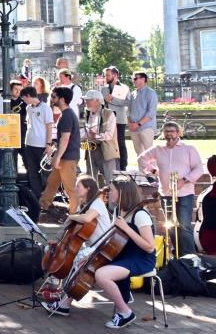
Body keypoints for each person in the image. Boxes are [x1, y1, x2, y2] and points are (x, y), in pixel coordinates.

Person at [43, 176, 156, 329]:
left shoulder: (140, 215)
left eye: (112, 191)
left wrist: (127, 228)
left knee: (102, 274)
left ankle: (125, 313)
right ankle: (64, 304)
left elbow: (150, 247)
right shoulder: (119, 211)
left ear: (122, 193)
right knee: (84, 263)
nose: (108, 194)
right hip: (122, 256)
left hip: (140, 259)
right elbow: (112, 240)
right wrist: (91, 255)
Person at [40, 175, 111, 316]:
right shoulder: (83, 205)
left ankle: (64, 304)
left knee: (78, 259)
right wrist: (59, 240)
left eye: (78, 186)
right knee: (51, 250)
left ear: (88, 189)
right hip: (90, 246)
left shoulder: (97, 203)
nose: (75, 188)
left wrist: (71, 216)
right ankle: (55, 289)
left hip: (101, 247)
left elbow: (86, 219)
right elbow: (73, 229)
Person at [138, 121, 203, 256]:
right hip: (166, 193)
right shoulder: (158, 149)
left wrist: (184, 180)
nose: (169, 134)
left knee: (184, 225)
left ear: (178, 133)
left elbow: (199, 169)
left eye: (172, 131)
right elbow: (141, 159)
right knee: (171, 226)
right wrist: (154, 171)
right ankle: (177, 255)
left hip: (185, 193)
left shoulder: (189, 148)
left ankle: (189, 258)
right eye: (166, 131)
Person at [40, 87, 82, 214]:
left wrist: (57, 157)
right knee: (52, 183)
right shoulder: (66, 114)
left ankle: (75, 213)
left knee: (71, 187)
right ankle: (43, 206)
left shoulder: (67, 115)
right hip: (64, 155)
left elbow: (65, 138)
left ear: (62, 99)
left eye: (54, 97)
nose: (51, 100)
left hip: (67, 157)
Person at [21, 86, 54, 203]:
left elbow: (49, 127)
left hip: (41, 145)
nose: (24, 100)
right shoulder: (28, 108)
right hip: (29, 144)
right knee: (32, 171)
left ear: (29, 96)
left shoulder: (46, 108)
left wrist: (48, 144)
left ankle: (47, 198)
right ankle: (37, 197)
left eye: (24, 98)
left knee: (45, 173)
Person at [84, 90, 119, 184]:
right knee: (90, 180)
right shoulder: (87, 113)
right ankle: (92, 198)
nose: (86, 102)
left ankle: (112, 198)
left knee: (110, 180)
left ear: (97, 101)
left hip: (106, 151)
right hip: (90, 149)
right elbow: (86, 132)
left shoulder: (109, 113)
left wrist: (95, 135)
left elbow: (109, 135)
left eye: (89, 100)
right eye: (86, 100)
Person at [100, 66, 131, 170]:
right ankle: (109, 166)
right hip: (106, 120)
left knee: (120, 142)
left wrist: (112, 99)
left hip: (119, 120)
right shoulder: (103, 88)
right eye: (105, 75)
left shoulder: (124, 88)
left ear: (115, 75)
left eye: (108, 75)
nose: (106, 77)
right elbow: (101, 103)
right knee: (106, 142)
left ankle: (122, 167)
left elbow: (127, 102)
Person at [128, 70, 158, 157]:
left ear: (143, 79)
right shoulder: (133, 94)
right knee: (139, 154)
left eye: (135, 78)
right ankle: (142, 171)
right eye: (133, 79)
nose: (133, 81)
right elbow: (129, 110)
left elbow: (151, 113)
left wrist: (138, 124)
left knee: (149, 153)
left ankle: (153, 171)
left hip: (146, 127)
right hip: (134, 128)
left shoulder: (151, 93)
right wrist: (130, 123)